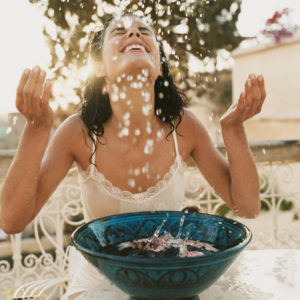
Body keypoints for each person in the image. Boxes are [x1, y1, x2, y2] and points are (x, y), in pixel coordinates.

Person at [0, 14, 266, 299]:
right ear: (99, 67)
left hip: (173, 282)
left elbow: (247, 206)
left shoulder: (184, 127)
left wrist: (234, 129)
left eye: (144, 31)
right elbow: (11, 220)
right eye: (119, 32)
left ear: (159, 67)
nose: (134, 34)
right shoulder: (77, 132)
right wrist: (37, 128)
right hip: (98, 283)